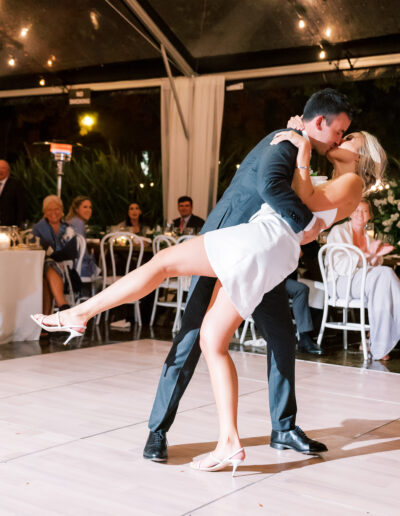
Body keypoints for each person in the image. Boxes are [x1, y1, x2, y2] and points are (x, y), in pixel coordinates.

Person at [31, 121, 385, 474]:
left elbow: (303, 208)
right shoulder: (330, 176)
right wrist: (302, 166)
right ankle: (228, 442)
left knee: (163, 264)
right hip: (262, 246)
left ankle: (81, 313)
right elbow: (304, 220)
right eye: (341, 132)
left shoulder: (351, 181)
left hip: (256, 242)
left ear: (363, 157)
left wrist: (304, 157)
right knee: (211, 340)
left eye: (349, 137)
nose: (341, 139)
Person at [327, 198, 400, 361]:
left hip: (363, 283)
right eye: (357, 210)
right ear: (350, 213)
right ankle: (378, 342)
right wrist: (369, 254)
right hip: (341, 282)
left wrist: (376, 255)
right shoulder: (338, 231)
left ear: (369, 216)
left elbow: (370, 266)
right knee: (385, 274)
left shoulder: (369, 238)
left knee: (384, 277)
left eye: (365, 211)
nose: (361, 214)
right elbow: (340, 265)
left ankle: (377, 342)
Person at [33, 195, 78, 316]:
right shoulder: (38, 228)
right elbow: (36, 249)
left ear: (62, 210)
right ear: (44, 212)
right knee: (48, 264)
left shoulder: (68, 228)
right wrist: (53, 254)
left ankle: (45, 323)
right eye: (49, 209)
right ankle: (63, 305)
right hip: (39, 267)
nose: (53, 212)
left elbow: (71, 253)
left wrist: (51, 252)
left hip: (65, 268)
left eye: (56, 208)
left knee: (47, 271)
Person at [285, 273, 322, 355]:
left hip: (285, 277)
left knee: (318, 289)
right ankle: (304, 337)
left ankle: (306, 336)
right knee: (301, 289)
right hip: (273, 280)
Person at [66, 196, 99, 277]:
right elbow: (82, 251)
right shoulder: (79, 223)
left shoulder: (71, 221)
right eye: (85, 207)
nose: (88, 210)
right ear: (76, 209)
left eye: (90, 207)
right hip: (78, 267)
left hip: (69, 264)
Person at [0, 159, 25, 226]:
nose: (0, 170)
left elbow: (21, 206)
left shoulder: (16, 184)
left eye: (3, 168)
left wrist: (19, 225)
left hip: (10, 225)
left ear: (8, 171)